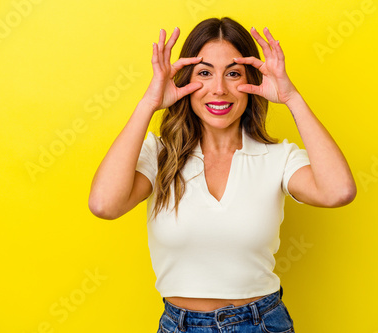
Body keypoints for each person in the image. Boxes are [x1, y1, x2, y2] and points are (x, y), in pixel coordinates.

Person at [89, 17, 356, 333]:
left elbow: (338, 192)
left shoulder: (277, 157)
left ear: (252, 83)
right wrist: (149, 103)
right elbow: (104, 205)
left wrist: (291, 98)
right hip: (179, 325)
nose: (218, 89)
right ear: (185, 81)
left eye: (233, 74)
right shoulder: (159, 155)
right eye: (204, 73)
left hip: (261, 324)